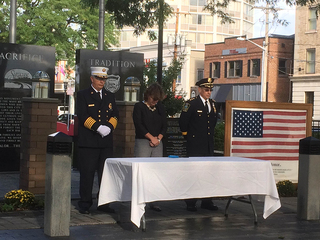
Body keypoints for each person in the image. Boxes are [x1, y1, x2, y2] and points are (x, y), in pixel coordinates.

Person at [76, 66, 119, 214]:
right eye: (99, 79)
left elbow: (115, 115)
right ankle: (85, 203)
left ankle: (104, 203)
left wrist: (109, 127)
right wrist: (97, 127)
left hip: (105, 142)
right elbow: (82, 115)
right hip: (89, 141)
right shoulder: (83, 95)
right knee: (87, 174)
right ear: (92, 79)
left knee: (105, 174)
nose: (102, 82)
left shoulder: (109, 95)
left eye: (104, 79)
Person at [179, 77, 219, 212]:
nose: (209, 92)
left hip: (208, 145)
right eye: (206, 90)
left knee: (207, 174)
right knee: (194, 173)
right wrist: (188, 137)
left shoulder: (212, 104)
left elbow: (212, 123)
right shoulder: (191, 104)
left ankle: (207, 200)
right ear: (200, 89)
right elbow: (183, 122)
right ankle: (191, 201)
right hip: (195, 144)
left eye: (210, 90)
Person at [132, 82, 167, 211]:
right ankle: (141, 198)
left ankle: (154, 199)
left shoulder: (160, 108)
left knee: (156, 171)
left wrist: (158, 138)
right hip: (143, 141)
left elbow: (164, 124)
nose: (155, 102)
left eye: (157, 100)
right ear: (148, 95)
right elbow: (139, 124)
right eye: (153, 99)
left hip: (158, 142)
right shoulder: (139, 107)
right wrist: (151, 138)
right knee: (142, 171)